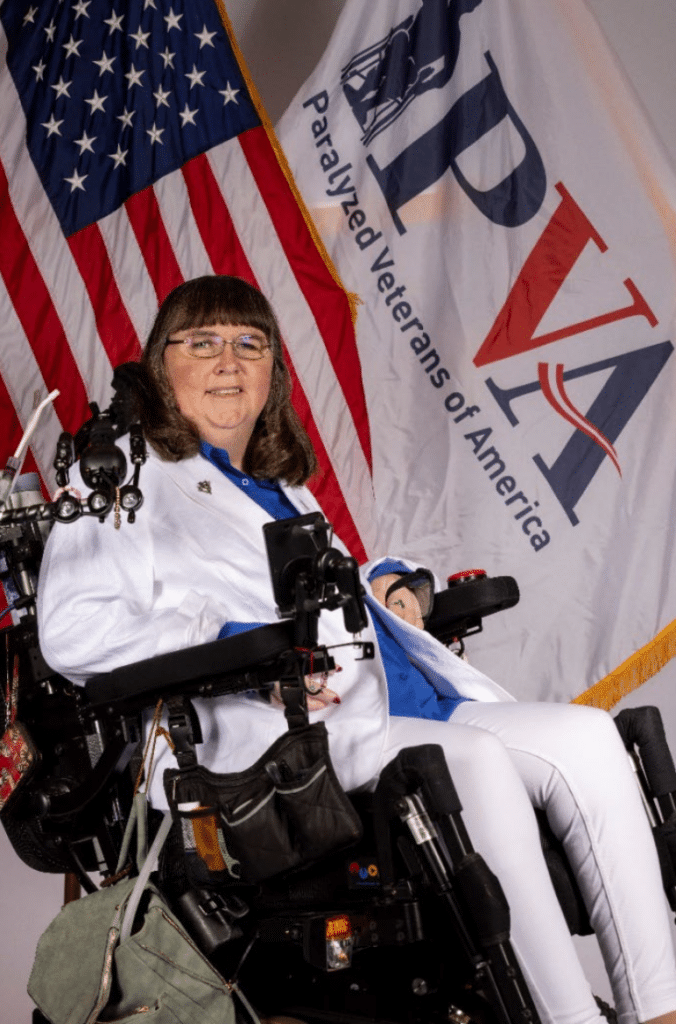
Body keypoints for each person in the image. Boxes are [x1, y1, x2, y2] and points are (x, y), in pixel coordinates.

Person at [37, 275, 676, 1024]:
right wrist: (227, 641)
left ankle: (657, 1009)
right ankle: (565, 1017)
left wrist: (388, 583)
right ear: (158, 364)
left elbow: (318, 582)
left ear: (272, 369)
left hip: (397, 699)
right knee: (476, 765)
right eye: (202, 343)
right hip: (281, 734)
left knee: (591, 736)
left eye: (250, 344)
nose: (228, 361)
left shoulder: (276, 484)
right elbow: (73, 628)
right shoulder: (122, 475)